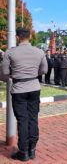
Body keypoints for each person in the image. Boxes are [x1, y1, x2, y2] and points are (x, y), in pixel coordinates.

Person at [0, 28, 48, 161]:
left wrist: (15, 75)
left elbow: (3, 73)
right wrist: (32, 74)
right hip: (34, 88)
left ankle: (23, 152)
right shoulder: (39, 51)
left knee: (22, 120)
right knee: (33, 118)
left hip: (19, 89)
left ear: (17, 37)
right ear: (30, 36)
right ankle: (32, 150)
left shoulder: (10, 52)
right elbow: (44, 69)